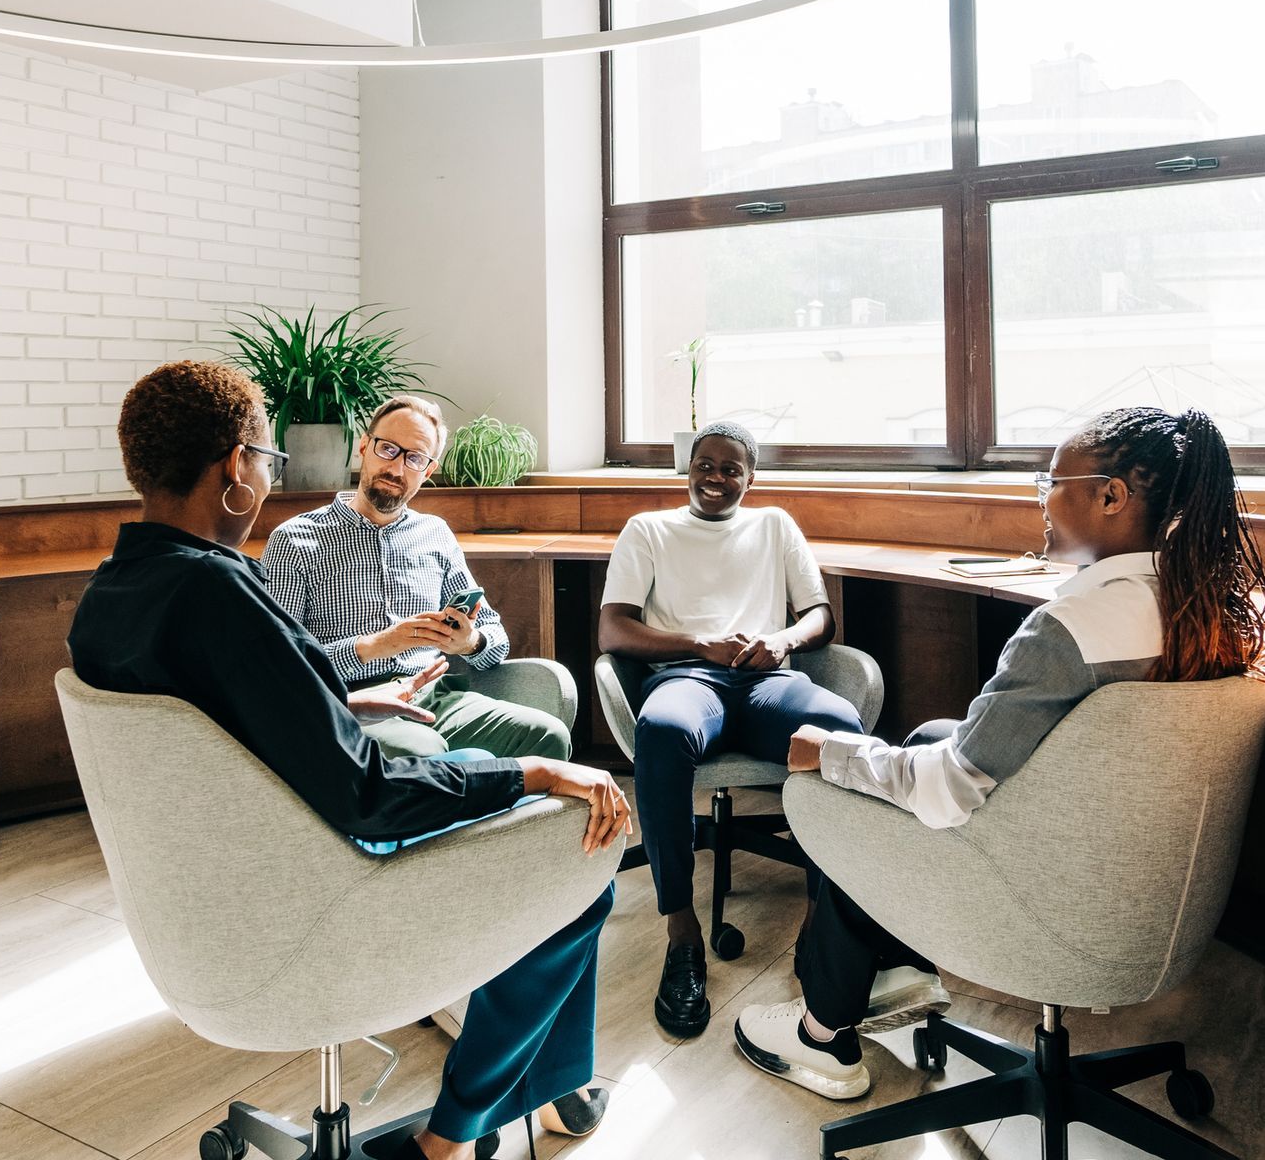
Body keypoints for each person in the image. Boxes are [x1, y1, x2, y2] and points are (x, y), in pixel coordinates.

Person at [67, 361, 625, 1160]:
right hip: (319, 894)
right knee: (578, 849)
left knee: (485, 771)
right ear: (236, 468)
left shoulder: (114, 594)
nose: (267, 476)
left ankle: (544, 1090)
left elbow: (221, 721)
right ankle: (451, 1138)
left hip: (213, 899)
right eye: (269, 458)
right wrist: (535, 775)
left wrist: (344, 702)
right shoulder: (220, 595)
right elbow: (372, 793)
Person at [735, 406, 1265, 1100]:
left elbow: (946, 792)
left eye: (1051, 482)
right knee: (933, 735)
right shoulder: (1212, 610)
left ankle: (821, 1034)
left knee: (842, 780)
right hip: (1147, 895)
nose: (1041, 500)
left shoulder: (1069, 629)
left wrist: (835, 756)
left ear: (1111, 496)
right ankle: (892, 969)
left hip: (1052, 905)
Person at [597, 421, 864, 1039]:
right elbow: (613, 630)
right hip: (690, 680)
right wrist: (701, 645)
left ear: (751, 476)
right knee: (660, 729)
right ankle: (680, 931)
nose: (716, 478)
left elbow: (820, 617)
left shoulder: (774, 525)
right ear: (687, 470)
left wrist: (781, 640)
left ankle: (824, 923)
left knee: (839, 726)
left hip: (767, 680)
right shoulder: (649, 530)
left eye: (731, 468)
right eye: (705, 466)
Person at [262, 395, 570, 762]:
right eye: (388, 449)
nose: (397, 468)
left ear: (427, 470)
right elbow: (279, 663)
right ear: (364, 446)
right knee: (418, 751)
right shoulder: (295, 539)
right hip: (350, 704)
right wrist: (374, 646)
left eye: (414, 458)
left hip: (436, 696)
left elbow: (495, 638)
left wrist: (469, 641)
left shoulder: (435, 534)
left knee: (547, 736)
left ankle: (504, 818)